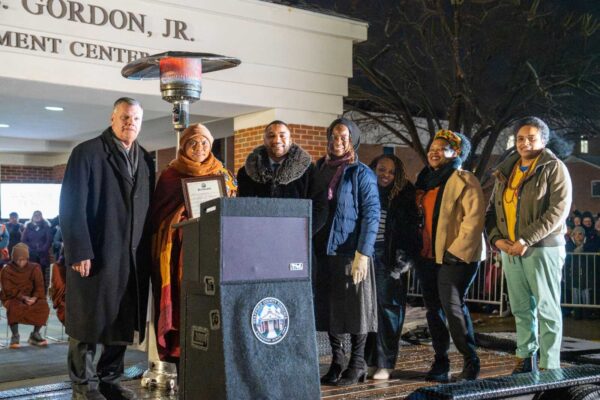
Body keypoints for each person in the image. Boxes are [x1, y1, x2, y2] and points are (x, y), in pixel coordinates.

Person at [60, 97, 154, 400]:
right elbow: (71, 204)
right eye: (125, 117)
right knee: (86, 324)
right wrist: (79, 250)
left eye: (136, 119)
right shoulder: (87, 152)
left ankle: (109, 380)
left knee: (120, 321)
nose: (130, 123)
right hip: (95, 253)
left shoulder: (146, 158)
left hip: (131, 257)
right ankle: (83, 386)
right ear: (113, 118)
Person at [486, 116, 572, 373]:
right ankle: (525, 357)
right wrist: (496, 239)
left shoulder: (554, 168)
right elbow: (491, 211)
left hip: (542, 248)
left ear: (544, 140)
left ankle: (549, 364)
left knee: (546, 307)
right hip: (510, 249)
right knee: (521, 307)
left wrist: (526, 240)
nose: (524, 143)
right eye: (520, 138)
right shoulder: (506, 170)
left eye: (531, 138)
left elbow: (557, 211)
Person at [149, 123, 237, 362]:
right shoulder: (170, 176)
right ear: (183, 146)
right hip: (181, 255)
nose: (199, 147)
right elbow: (158, 219)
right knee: (184, 302)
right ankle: (180, 356)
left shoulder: (223, 174)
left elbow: (233, 208)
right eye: (193, 143)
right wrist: (182, 218)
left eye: (204, 143)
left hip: (215, 251)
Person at [415, 129, 485, 382]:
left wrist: (456, 251)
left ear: (455, 152)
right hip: (427, 255)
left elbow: (474, 219)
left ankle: (470, 360)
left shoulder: (464, 179)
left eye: (441, 148)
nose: (434, 152)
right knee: (433, 310)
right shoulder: (424, 181)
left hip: (455, 256)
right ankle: (441, 361)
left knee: (453, 307)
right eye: (432, 148)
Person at [313, 118, 380, 386]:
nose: (337, 141)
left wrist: (363, 254)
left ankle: (357, 363)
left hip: (351, 252)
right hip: (324, 250)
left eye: (343, 136)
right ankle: (338, 361)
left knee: (355, 309)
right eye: (333, 136)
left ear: (353, 139)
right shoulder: (320, 169)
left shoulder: (361, 173)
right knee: (331, 309)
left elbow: (372, 215)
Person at [364, 154, 419, 380]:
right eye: (381, 170)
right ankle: (369, 360)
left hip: (388, 259)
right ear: (373, 169)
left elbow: (411, 231)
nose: (386, 175)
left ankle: (385, 363)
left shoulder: (403, 195)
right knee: (368, 311)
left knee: (389, 311)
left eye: (391, 172)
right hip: (365, 256)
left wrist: (402, 261)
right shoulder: (365, 190)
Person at [0, 243, 50, 349]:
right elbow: (7, 289)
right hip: (13, 297)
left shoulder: (34, 268)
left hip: (31, 296)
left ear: (27, 258)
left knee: (43, 305)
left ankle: (35, 334)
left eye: (23, 260)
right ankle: (15, 335)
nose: (21, 262)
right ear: (13, 258)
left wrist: (34, 298)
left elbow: (40, 286)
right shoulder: (7, 270)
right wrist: (22, 297)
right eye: (18, 260)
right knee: (14, 306)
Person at [21, 210, 52, 290]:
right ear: (32, 216)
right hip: (31, 254)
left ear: (42, 216)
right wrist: (31, 249)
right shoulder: (28, 226)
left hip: (43, 254)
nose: (37, 216)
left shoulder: (46, 226)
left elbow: (49, 240)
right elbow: (23, 240)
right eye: (35, 215)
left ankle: (42, 291)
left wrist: (43, 249)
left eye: (39, 215)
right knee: (31, 273)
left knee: (41, 273)